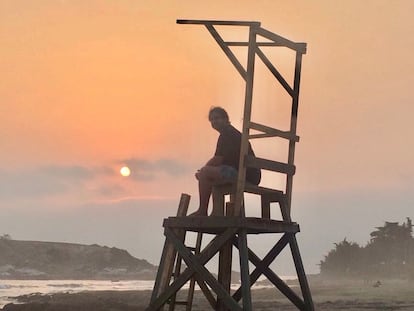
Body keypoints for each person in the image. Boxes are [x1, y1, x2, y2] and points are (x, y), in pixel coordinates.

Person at [190, 107, 261, 216]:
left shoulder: (228, 134)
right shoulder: (230, 133)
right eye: (212, 120)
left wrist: (202, 171)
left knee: (205, 173)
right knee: (210, 174)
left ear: (225, 119)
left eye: (217, 118)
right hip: (247, 173)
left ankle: (202, 210)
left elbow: (218, 159)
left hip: (245, 174)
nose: (214, 122)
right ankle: (216, 212)